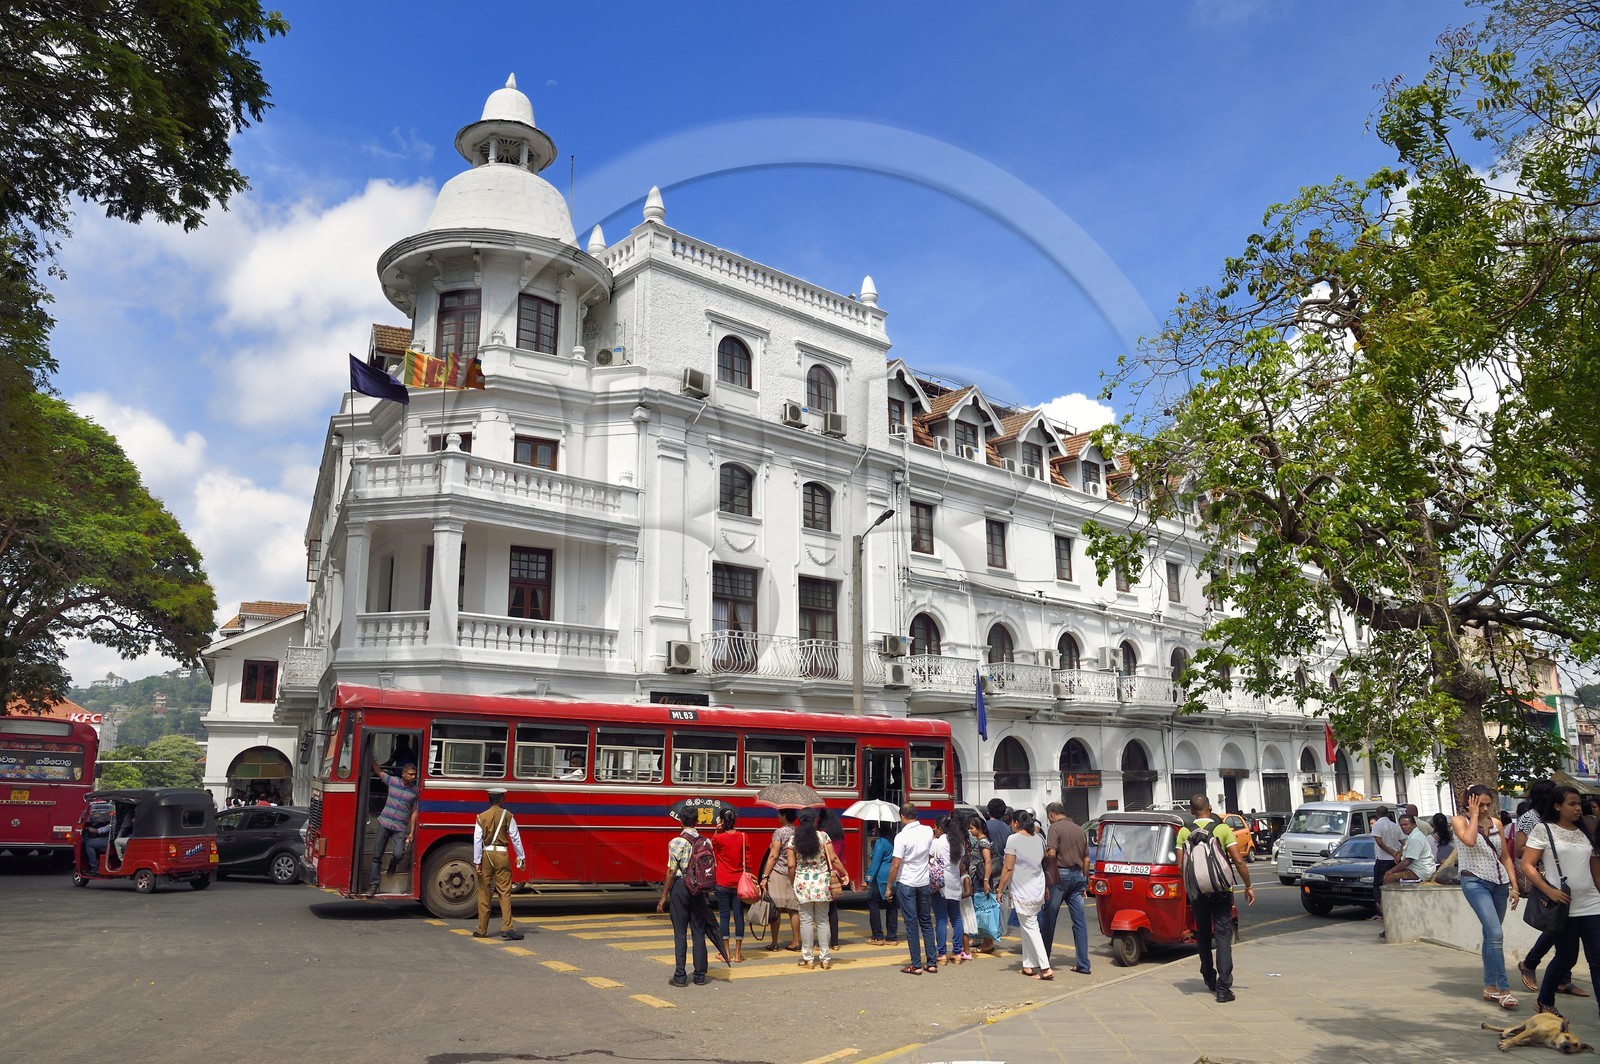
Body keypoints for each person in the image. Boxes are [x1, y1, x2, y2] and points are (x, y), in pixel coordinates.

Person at [1522, 785, 1600, 1020]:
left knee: (1597, 959)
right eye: (1572, 804)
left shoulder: (1586, 829)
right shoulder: (1543, 830)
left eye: (1579, 804)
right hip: (1562, 905)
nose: (1578, 808)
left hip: (1592, 903)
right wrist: (1549, 890)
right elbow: (1527, 865)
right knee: (1567, 957)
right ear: (1557, 805)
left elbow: (1595, 869)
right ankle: (1545, 1001)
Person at [1179, 794, 1255, 1003]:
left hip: (1197, 893)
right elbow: (1238, 861)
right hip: (1222, 890)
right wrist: (1248, 886)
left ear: (1192, 811)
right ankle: (1223, 988)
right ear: (1210, 808)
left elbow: (1180, 865)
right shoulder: (1222, 829)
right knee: (1222, 935)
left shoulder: (1184, 831)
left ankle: (1208, 977)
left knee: (1202, 933)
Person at [1454, 782, 1523, 1009]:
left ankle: (1489, 986)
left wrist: (1514, 885)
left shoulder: (1496, 824)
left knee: (1490, 935)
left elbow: (1504, 856)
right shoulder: (1459, 821)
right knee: (1495, 933)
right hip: (1474, 881)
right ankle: (1504, 988)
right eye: (1480, 805)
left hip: (1500, 883)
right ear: (1469, 801)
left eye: (1488, 805)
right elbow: (1469, 841)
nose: (1484, 809)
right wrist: (1473, 816)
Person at [657, 807, 719, 986]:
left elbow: (671, 871)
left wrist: (663, 896)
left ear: (681, 821)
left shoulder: (676, 842)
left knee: (680, 933)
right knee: (698, 932)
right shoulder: (706, 841)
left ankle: (680, 976)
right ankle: (700, 975)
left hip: (681, 887)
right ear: (697, 821)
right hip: (699, 890)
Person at [1516, 780, 1565, 994]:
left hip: (1565, 876)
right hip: (1545, 876)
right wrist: (1541, 845)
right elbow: (1519, 850)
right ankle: (1532, 963)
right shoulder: (1530, 818)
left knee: (1563, 927)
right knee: (1556, 925)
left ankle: (1562, 977)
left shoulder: (1558, 819)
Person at [787, 808, 849, 969]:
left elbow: (791, 865)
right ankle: (825, 958)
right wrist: (844, 872)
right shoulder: (823, 836)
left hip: (802, 885)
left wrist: (794, 882)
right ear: (814, 820)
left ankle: (808, 959)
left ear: (799, 821)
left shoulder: (793, 840)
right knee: (822, 921)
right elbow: (834, 859)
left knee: (806, 922)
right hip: (822, 884)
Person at [995, 808, 1052, 979]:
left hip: (1023, 889)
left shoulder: (1013, 840)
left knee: (1031, 927)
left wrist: (1000, 889)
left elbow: (1008, 867)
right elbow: (1044, 864)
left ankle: (1045, 967)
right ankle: (1028, 965)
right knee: (1027, 926)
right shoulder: (1039, 838)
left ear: (1015, 823)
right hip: (1038, 886)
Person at [885, 803, 938, 974]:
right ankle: (931, 962)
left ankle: (915, 964)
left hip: (907, 883)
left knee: (911, 924)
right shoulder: (928, 831)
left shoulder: (901, 837)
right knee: (926, 922)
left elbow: (895, 865)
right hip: (923, 882)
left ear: (902, 816)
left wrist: (888, 887)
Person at [1040, 801, 1092, 974]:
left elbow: (1052, 853)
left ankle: (1044, 961)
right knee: (1079, 923)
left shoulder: (1054, 828)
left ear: (1052, 814)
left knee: (1049, 919)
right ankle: (1083, 964)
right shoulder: (1079, 829)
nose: (1049, 821)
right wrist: (1084, 880)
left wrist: (1049, 879)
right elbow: (1086, 859)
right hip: (1079, 877)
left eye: (1049, 818)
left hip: (1060, 876)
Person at [472, 786, 526, 940]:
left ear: (489, 800)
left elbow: (477, 840)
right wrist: (521, 857)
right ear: (503, 799)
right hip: (502, 854)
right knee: (504, 891)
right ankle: (507, 927)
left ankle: (482, 930)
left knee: (484, 892)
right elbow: (515, 837)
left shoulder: (481, 816)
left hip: (486, 855)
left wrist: (477, 861)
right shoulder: (508, 815)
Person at [366, 756, 418, 896]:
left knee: (398, 854)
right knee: (377, 856)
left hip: (400, 828)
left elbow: (414, 812)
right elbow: (378, 771)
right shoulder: (393, 781)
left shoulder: (415, 791)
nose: (413, 777)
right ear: (403, 774)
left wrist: (412, 832)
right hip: (384, 823)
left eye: (414, 775)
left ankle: (393, 865)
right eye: (411, 774)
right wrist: (369, 756)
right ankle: (374, 885)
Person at [710, 806, 751, 963]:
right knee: (739, 916)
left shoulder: (718, 838)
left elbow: (713, 846)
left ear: (721, 821)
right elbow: (748, 860)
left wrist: (717, 830)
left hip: (722, 881)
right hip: (739, 882)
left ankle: (725, 953)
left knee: (724, 916)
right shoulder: (743, 836)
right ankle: (737, 954)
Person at [757, 809, 801, 952]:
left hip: (778, 873)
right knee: (793, 909)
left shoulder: (779, 832)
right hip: (794, 872)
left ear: (783, 816)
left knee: (776, 908)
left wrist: (765, 876)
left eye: (779, 814)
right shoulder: (799, 832)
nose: (777, 817)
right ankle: (795, 941)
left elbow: (774, 856)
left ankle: (774, 942)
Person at [931, 815, 968, 964]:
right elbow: (960, 864)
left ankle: (941, 954)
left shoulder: (937, 842)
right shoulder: (958, 843)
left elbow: (929, 859)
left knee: (941, 920)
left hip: (940, 883)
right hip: (954, 882)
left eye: (936, 827)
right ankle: (958, 952)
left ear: (940, 828)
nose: (934, 829)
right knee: (956, 919)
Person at [966, 813, 997, 952]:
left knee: (983, 910)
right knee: (979, 909)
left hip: (981, 880)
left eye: (972, 828)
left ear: (979, 828)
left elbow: (988, 862)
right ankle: (983, 940)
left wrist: (985, 880)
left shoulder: (983, 842)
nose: (970, 831)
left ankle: (987, 942)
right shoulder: (980, 841)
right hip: (977, 880)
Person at [865, 821, 899, 945]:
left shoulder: (880, 843)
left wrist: (867, 878)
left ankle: (877, 936)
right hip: (891, 877)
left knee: (873, 904)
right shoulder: (892, 842)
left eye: (875, 827)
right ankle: (891, 937)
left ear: (879, 829)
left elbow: (875, 864)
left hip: (880, 878)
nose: (873, 830)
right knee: (891, 906)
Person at [818, 807, 847, 945]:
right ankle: (834, 942)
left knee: (822, 911)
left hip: (825, 875)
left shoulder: (823, 836)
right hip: (836, 875)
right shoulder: (840, 835)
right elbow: (839, 857)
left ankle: (823, 941)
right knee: (833, 908)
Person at [1384, 813, 1437, 884]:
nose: (1403, 827)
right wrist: (1400, 854)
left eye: (1406, 824)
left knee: (1389, 878)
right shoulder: (1413, 836)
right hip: (1417, 870)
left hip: (1420, 872)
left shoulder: (1415, 838)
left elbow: (1408, 861)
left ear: (1414, 824)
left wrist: (1390, 871)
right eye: (1401, 825)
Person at [985, 798, 1012, 937]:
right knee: (1003, 895)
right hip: (1004, 864)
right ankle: (1003, 928)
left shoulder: (986, 825)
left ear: (988, 810)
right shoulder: (1007, 827)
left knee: (989, 895)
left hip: (990, 865)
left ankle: (992, 927)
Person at [1370, 805, 1403, 919]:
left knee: (1378, 886)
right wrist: (1398, 853)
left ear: (1377, 814)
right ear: (1388, 814)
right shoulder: (1395, 826)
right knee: (1392, 885)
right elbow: (1404, 842)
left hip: (1383, 859)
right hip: (1394, 861)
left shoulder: (1377, 825)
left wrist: (1392, 852)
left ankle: (1382, 912)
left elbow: (1379, 842)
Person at [82, 804, 111, 872]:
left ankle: (95, 867)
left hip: (110, 840)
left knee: (88, 843)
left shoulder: (115, 820)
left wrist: (91, 829)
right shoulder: (122, 818)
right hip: (113, 838)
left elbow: (102, 830)